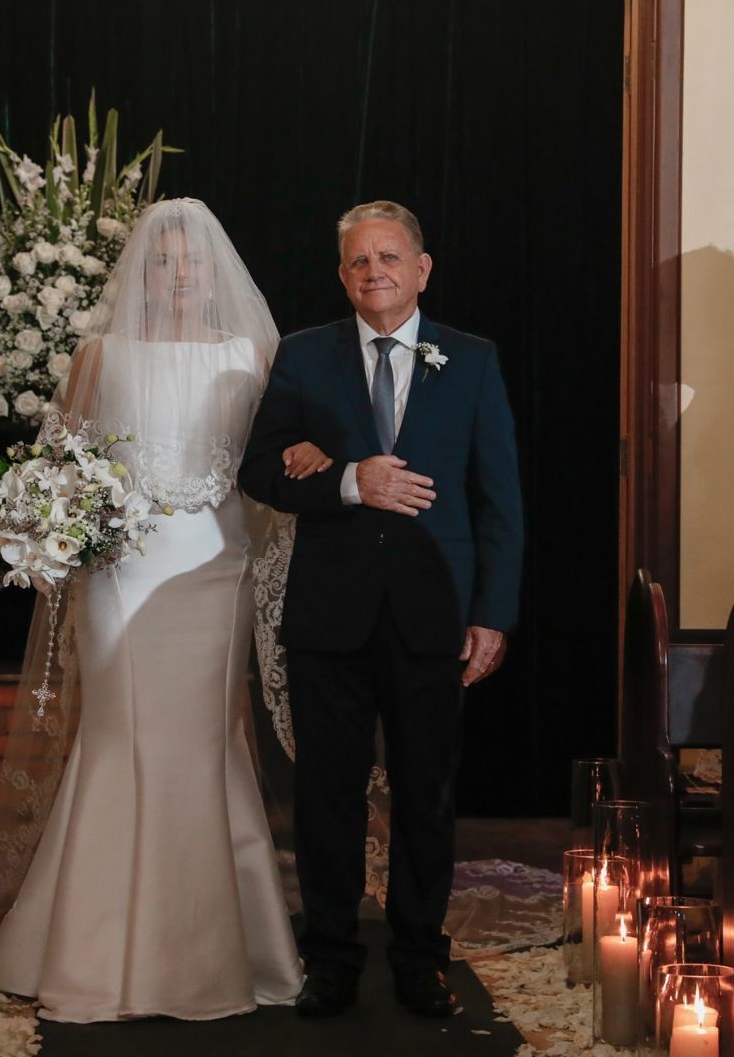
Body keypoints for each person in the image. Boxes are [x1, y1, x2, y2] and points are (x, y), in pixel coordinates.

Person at [0, 198, 307, 1022]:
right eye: (162, 259)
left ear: (212, 272)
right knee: (120, 737)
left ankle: (215, 950)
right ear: (141, 270)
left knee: (204, 740)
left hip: (213, 569)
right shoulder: (101, 353)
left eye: (190, 260)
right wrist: (60, 518)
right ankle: (92, 955)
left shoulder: (251, 354)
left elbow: (272, 462)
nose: (177, 272)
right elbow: (63, 455)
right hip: (121, 574)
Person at [238, 200, 524, 1020]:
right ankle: (329, 955)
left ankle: (420, 956)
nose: (376, 273)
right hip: (329, 613)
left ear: (422, 269)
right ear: (342, 275)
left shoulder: (471, 360)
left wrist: (493, 614)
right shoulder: (302, 357)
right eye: (360, 262)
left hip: (436, 612)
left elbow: (499, 499)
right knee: (326, 793)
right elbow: (258, 470)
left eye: (390, 258)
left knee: (425, 792)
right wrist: (344, 481)